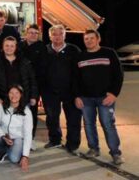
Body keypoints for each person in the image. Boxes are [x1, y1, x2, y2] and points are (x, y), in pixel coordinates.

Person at [74, 29, 124, 165]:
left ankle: (116, 153)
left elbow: (118, 75)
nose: (88, 41)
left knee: (108, 125)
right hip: (86, 98)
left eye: (91, 38)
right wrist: (77, 96)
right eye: (86, 39)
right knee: (89, 124)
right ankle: (93, 149)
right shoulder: (80, 57)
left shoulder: (109, 53)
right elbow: (76, 79)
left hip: (105, 98)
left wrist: (114, 94)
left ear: (98, 39)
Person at [44, 24, 82, 154]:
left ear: (65, 35)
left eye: (60, 34)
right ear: (50, 36)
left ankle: (72, 144)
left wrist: (78, 93)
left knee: (73, 119)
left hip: (70, 92)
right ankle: (55, 140)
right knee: (52, 117)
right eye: (54, 34)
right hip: (50, 92)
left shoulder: (74, 50)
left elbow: (79, 72)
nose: (57, 37)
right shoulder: (45, 50)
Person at [18, 24, 47, 149]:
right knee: (18, 112)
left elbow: (43, 68)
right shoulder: (19, 46)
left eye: (36, 33)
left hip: (34, 86)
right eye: (31, 32)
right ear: (26, 34)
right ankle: (18, 138)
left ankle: (30, 139)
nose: (33, 35)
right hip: (19, 85)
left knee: (32, 113)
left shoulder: (42, 48)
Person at [0, 36, 38, 108]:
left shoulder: (24, 62)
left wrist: (33, 96)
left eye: (12, 46)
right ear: (3, 47)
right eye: (7, 45)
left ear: (16, 47)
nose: (9, 48)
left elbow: (32, 80)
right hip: (3, 101)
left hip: (23, 100)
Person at [0, 85, 33, 172]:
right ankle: (5, 149)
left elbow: (28, 134)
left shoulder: (26, 111)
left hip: (17, 139)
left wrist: (25, 156)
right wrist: (3, 136)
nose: (14, 95)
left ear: (21, 95)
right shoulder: (1, 106)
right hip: (3, 137)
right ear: (7, 94)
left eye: (16, 93)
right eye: (11, 92)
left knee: (14, 159)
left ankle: (10, 150)